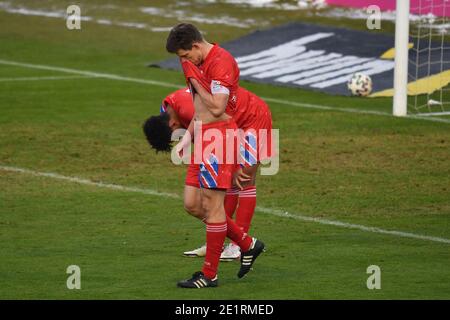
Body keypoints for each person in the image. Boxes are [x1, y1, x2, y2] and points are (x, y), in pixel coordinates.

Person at [165, 23, 267, 288]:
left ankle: (209, 274)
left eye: (186, 56)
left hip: (220, 136)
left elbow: (218, 106)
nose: (184, 62)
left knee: (213, 206)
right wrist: (187, 139)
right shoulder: (190, 62)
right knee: (193, 204)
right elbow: (200, 108)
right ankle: (247, 243)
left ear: (196, 46)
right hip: (204, 135)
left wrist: (198, 82)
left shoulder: (222, 62)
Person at [143, 85, 272, 262]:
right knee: (203, 197)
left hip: (251, 117)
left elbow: (220, 125)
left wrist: (232, 163)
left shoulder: (188, 111)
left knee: (244, 180)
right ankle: (221, 242)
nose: (178, 138)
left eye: (176, 137)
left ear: (172, 124)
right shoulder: (167, 110)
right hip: (222, 126)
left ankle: (237, 246)